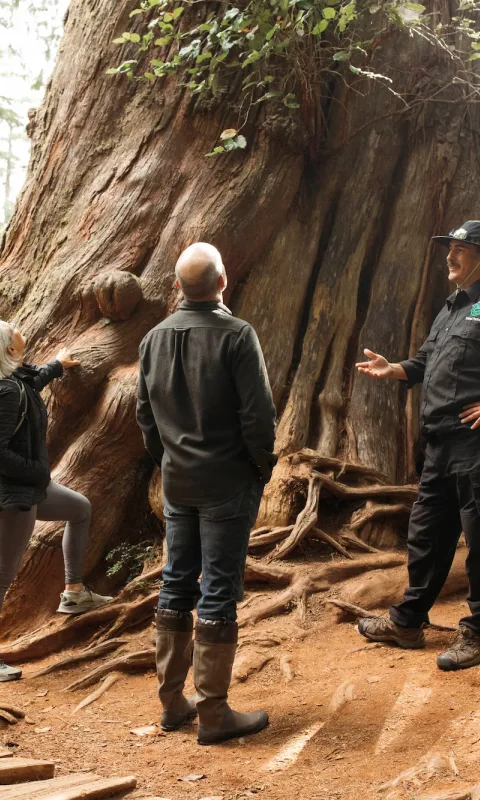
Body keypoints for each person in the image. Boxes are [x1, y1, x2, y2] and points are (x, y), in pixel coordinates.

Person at [354, 220, 480, 670]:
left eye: (461, 249)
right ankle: (407, 622)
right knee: (426, 535)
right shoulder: (450, 309)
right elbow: (425, 361)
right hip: (441, 445)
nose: (450, 255)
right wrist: (394, 369)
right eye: (450, 247)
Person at [137, 242, 277, 746]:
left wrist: (168, 459)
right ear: (223, 283)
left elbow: (145, 417)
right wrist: (261, 465)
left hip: (178, 481)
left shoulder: (152, 339)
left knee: (176, 580)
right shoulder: (237, 335)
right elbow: (257, 415)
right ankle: (213, 713)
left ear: (177, 287)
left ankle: (174, 704)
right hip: (226, 482)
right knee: (218, 587)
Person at [0, 318, 113, 683]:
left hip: (28, 488)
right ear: (9, 349)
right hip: (16, 495)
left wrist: (56, 367)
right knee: (0, 573)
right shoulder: (5, 392)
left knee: (79, 508)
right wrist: (34, 472)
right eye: (10, 328)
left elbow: (32, 383)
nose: (17, 327)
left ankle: (73, 592)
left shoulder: (15, 382)